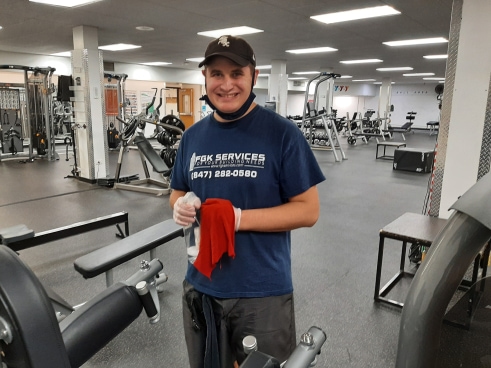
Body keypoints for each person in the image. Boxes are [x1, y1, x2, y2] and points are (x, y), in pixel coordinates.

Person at [170, 35, 325, 368]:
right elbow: (177, 191)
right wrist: (180, 205)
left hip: (262, 290)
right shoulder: (192, 137)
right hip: (202, 286)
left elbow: (309, 210)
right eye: (216, 74)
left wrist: (238, 219)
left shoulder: (283, 134)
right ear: (206, 79)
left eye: (236, 73)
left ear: (254, 77)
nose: (227, 84)